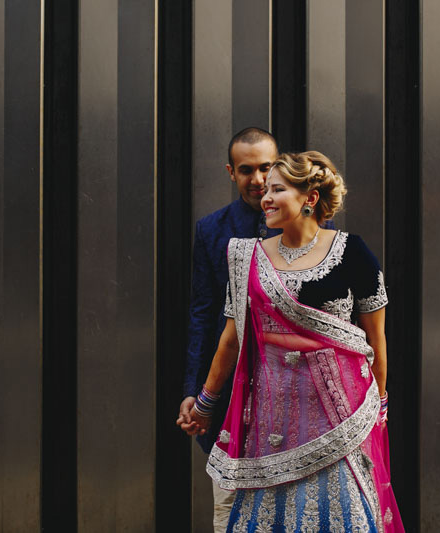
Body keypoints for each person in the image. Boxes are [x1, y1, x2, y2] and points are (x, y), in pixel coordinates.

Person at [187, 151, 404, 531]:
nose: (266, 197)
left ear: (310, 198)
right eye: (267, 190)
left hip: (340, 414)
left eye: (278, 190)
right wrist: (205, 402)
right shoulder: (247, 257)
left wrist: (380, 406)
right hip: (273, 416)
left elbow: (375, 340)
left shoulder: (352, 251)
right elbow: (231, 340)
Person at [176, 127, 281, 531]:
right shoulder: (211, 229)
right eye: (247, 170)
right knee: (230, 505)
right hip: (230, 382)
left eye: (266, 168)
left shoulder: (304, 224)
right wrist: (194, 389)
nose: (258, 179)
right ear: (231, 172)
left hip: (289, 382)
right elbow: (202, 314)